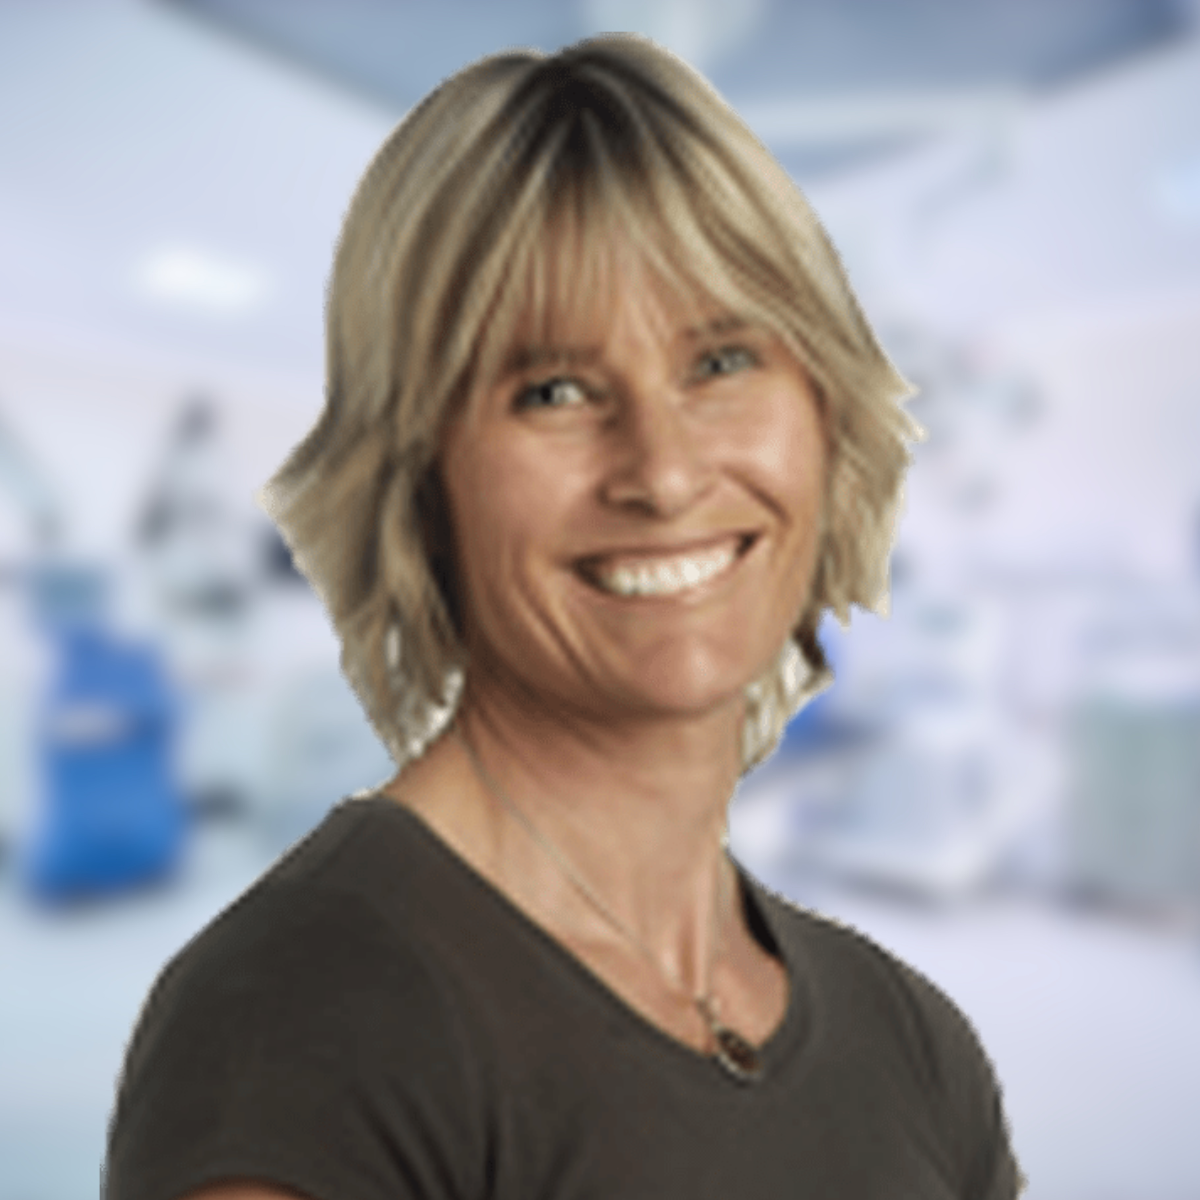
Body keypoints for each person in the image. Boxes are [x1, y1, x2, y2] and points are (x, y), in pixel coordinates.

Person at [103, 32, 1024, 1200]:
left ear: (825, 414)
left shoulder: (915, 1046)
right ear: (420, 480)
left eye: (723, 360)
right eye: (554, 391)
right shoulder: (305, 1021)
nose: (665, 472)